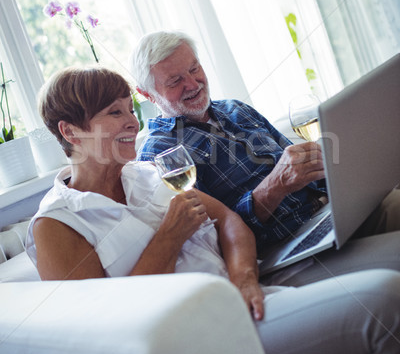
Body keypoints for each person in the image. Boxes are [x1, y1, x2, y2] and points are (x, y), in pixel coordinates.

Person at [25, 65, 400, 354]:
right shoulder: (58, 224)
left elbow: (231, 222)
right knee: (385, 300)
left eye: (129, 109)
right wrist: (167, 241)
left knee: (386, 291)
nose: (133, 123)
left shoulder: (149, 174)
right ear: (70, 131)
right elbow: (104, 336)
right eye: (114, 113)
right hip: (195, 344)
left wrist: (244, 279)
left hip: (240, 305)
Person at [131, 30, 400, 287]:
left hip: (329, 214)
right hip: (283, 250)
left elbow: (306, 169)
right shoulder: (159, 155)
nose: (192, 84)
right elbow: (213, 240)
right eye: (175, 81)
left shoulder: (235, 109)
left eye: (194, 69)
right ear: (146, 93)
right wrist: (275, 186)